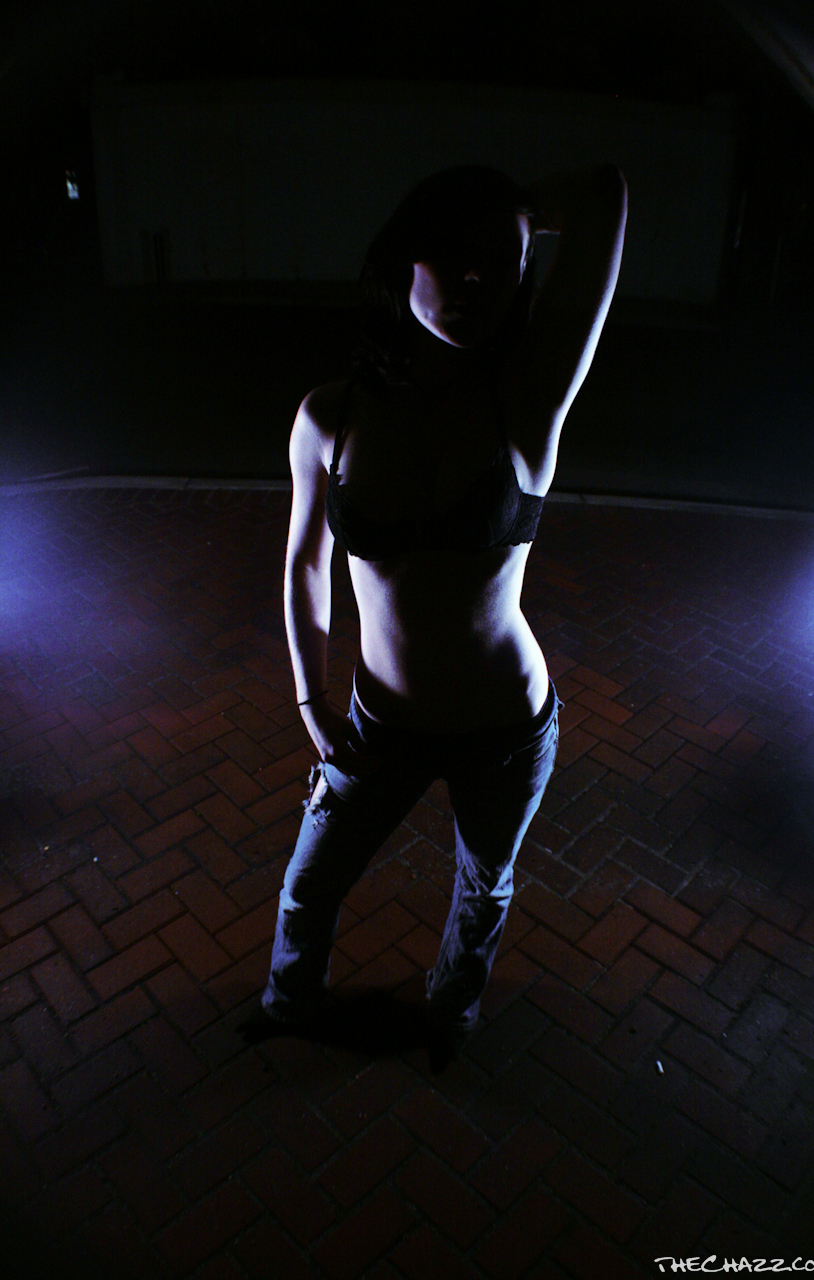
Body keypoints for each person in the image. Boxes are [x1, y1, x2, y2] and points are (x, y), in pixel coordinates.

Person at [253, 162, 627, 1049]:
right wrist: (310, 701)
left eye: (499, 262)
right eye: (451, 253)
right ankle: (288, 1006)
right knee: (308, 884)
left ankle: (450, 1016)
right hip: (377, 723)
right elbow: (304, 564)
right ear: (401, 259)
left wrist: (515, 211)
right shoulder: (331, 416)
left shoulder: (527, 403)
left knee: (484, 886)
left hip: (507, 729)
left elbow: (604, 194)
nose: (473, 278)